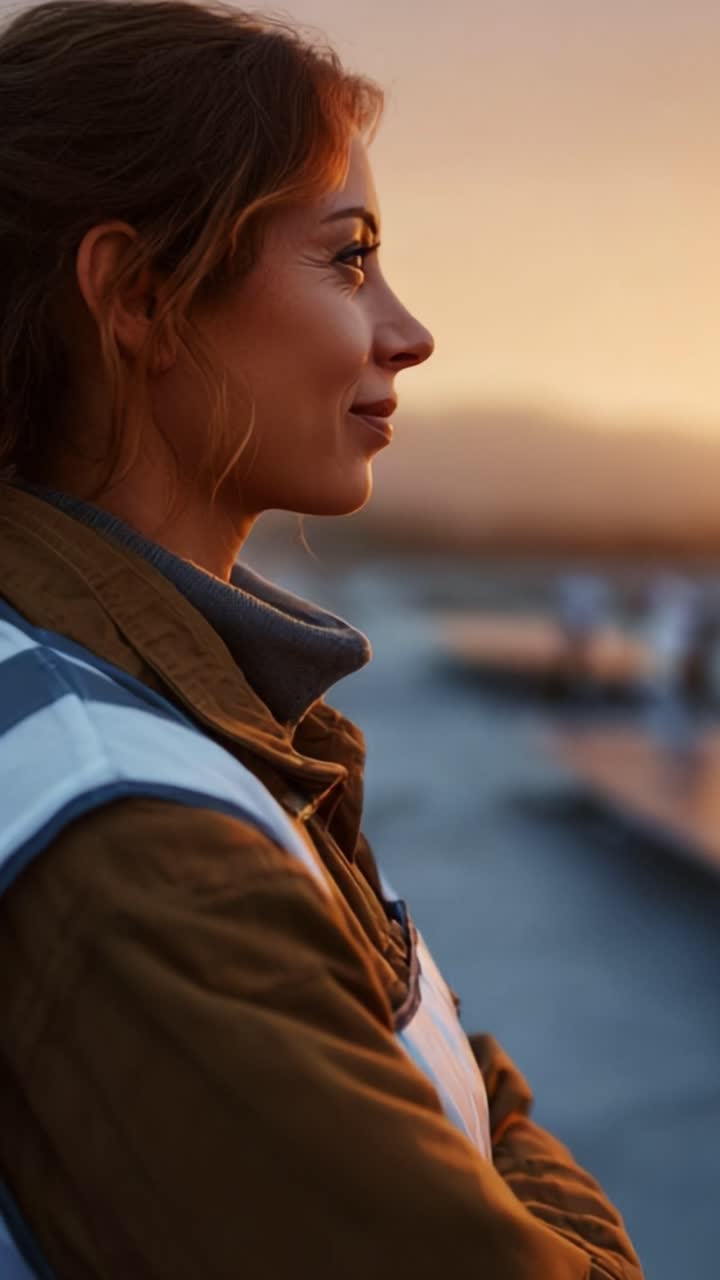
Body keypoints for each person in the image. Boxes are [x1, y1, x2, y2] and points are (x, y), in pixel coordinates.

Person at [0, 2, 643, 1277]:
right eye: (349, 260)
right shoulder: (130, 831)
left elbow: (453, 1069)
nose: (407, 331)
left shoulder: (166, 709)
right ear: (140, 297)